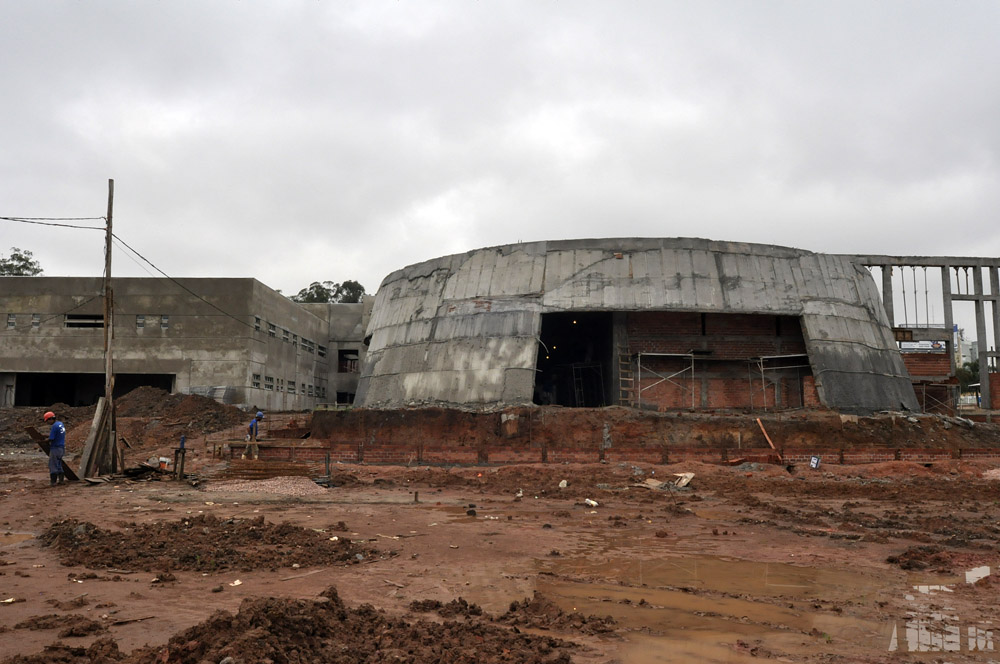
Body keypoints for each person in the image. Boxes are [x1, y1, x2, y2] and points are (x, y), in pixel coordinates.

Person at [43, 411, 66, 486]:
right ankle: (61, 480)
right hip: (61, 448)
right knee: (59, 464)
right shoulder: (60, 424)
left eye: (47, 421)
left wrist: (43, 441)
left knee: (53, 464)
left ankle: (53, 482)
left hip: (55, 448)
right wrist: (47, 436)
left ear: (50, 419)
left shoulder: (54, 426)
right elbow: (57, 435)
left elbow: (51, 439)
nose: (47, 423)